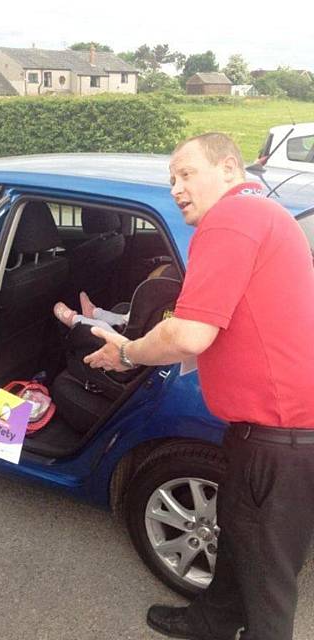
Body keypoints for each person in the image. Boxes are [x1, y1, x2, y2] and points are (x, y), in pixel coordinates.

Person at [84, 132, 314, 640]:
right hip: (268, 432)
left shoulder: (230, 219)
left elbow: (188, 333)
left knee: (268, 586)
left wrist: (124, 351)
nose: (177, 188)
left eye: (187, 173)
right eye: (171, 180)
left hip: (279, 437)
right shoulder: (267, 215)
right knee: (239, 534)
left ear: (230, 170)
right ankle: (210, 621)